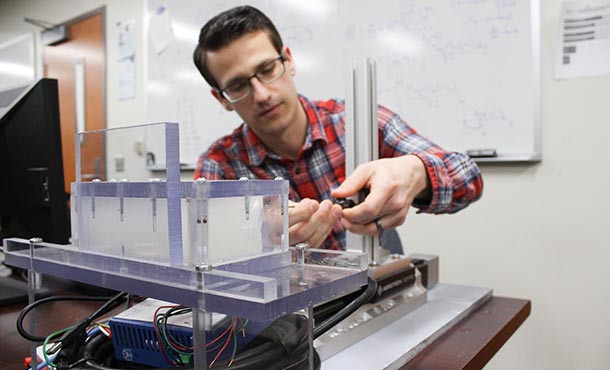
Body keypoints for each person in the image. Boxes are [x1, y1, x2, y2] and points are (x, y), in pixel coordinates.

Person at [192, 5, 483, 251]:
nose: (262, 94)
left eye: (268, 70)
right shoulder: (219, 166)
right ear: (222, 99)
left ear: (289, 60)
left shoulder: (354, 122)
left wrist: (418, 173)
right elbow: (205, 249)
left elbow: (467, 176)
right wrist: (256, 242)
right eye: (239, 86)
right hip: (280, 311)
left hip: (373, 295)